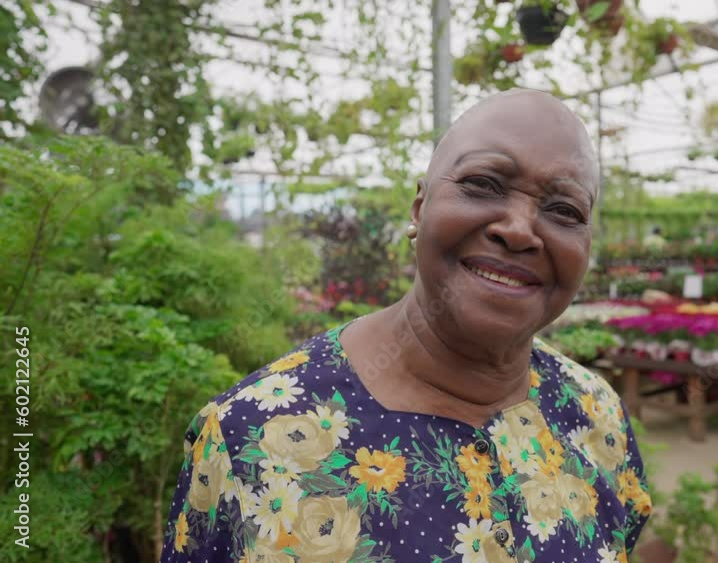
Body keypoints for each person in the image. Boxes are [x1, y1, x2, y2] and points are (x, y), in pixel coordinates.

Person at [160, 90, 650, 563]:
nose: (519, 230)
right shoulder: (249, 439)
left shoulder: (596, 414)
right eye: (483, 184)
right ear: (420, 208)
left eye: (564, 210)